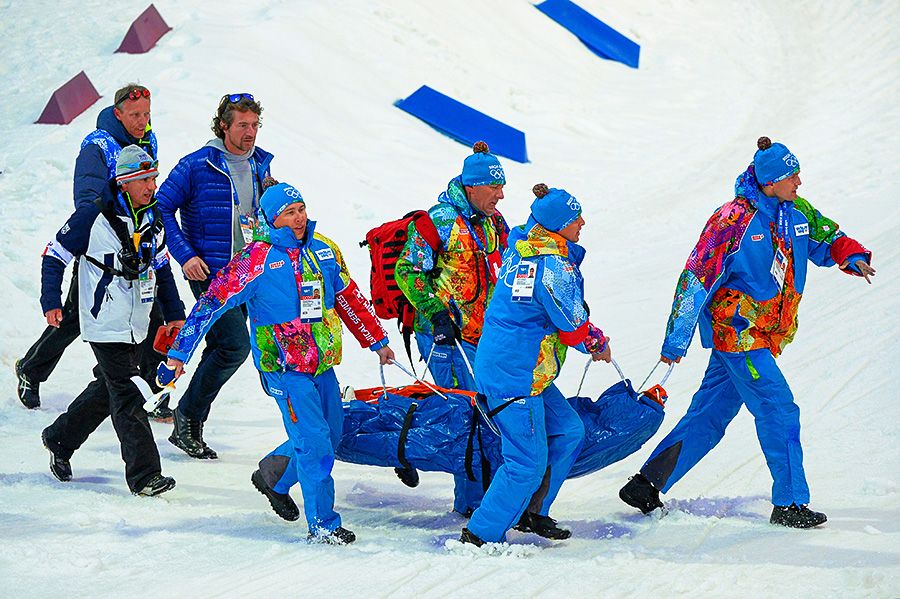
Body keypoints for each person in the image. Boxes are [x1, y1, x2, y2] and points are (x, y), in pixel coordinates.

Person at [619, 137, 875, 529]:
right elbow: (695, 279)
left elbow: (828, 237)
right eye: (792, 176)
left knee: (710, 414)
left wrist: (851, 255)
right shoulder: (732, 221)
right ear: (770, 181)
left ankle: (646, 484)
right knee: (778, 408)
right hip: (739, 334)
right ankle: (789, 503)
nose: (800, 182)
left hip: (762, 333)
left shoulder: (796, 211)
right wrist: (676, 340)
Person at [164, 182, 394, 544]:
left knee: (331, 435)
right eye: (289, 212)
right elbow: (212, 303)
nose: (299, 218)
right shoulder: (256, 259)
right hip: (285, 370)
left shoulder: (324, 250)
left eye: (301, 208)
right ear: (272, 219)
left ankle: (274, 476)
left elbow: (348, 296)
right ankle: (323, 525)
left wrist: (375, 340)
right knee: (315, 442)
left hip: (322, 365)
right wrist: (179, 354)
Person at [459, 183, 610, 546]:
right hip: (515, 376)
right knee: (526, 461)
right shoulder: (552, 264)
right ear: (558, 224)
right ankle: (480, 533)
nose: (582, 223)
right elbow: (573, 327)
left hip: (526, 371)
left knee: (569, 431)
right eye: (576, 219)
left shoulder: (524, 245)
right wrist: (597, 342)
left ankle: (531, 511)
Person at [16, 83, 171, 420]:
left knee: (151, 311)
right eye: (134, 115)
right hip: (101, 247)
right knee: (74, 316)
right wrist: (109, 235)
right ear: (118, 113)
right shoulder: (97, 145)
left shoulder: (148, 139)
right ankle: (31, 368)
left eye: (146, 113)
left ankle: (152, 389)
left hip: (137, 241)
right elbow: (87, 197)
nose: (142, 121)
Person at [40, 146, 185, 496]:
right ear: (124, 182)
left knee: (108, 389)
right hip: (103, 320)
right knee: (127, 393)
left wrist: (175, 314)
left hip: (139, 320)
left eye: (153, 178)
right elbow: (54, 254)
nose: (152, 186)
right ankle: (145, 475)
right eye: (145, 180)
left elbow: (162, 269)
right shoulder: (92, 215)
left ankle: (59, 438)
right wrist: (51, 301)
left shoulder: (155, 217)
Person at [394, 141, 509, 515]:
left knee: (487, 409)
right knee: (470, 413)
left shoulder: (493, 221)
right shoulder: (441, 220)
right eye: (494, 188)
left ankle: (486, 494)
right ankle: (473, 504)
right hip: (446, 337)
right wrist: (436, 313)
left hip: (485, 335)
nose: (501, 195)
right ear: (472, 187)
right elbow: (407, 270)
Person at [156, 93, 274, 459]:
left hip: (248, 272)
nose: (250, 132)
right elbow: (159, 209)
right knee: (235, 346)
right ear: (223, 125)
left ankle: (187, 416)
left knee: (223, 346)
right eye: (242, 125)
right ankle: (187, 418)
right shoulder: (196, 166)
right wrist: (185, 255)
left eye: (254, 125)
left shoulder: (261, 165)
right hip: (209, 270)